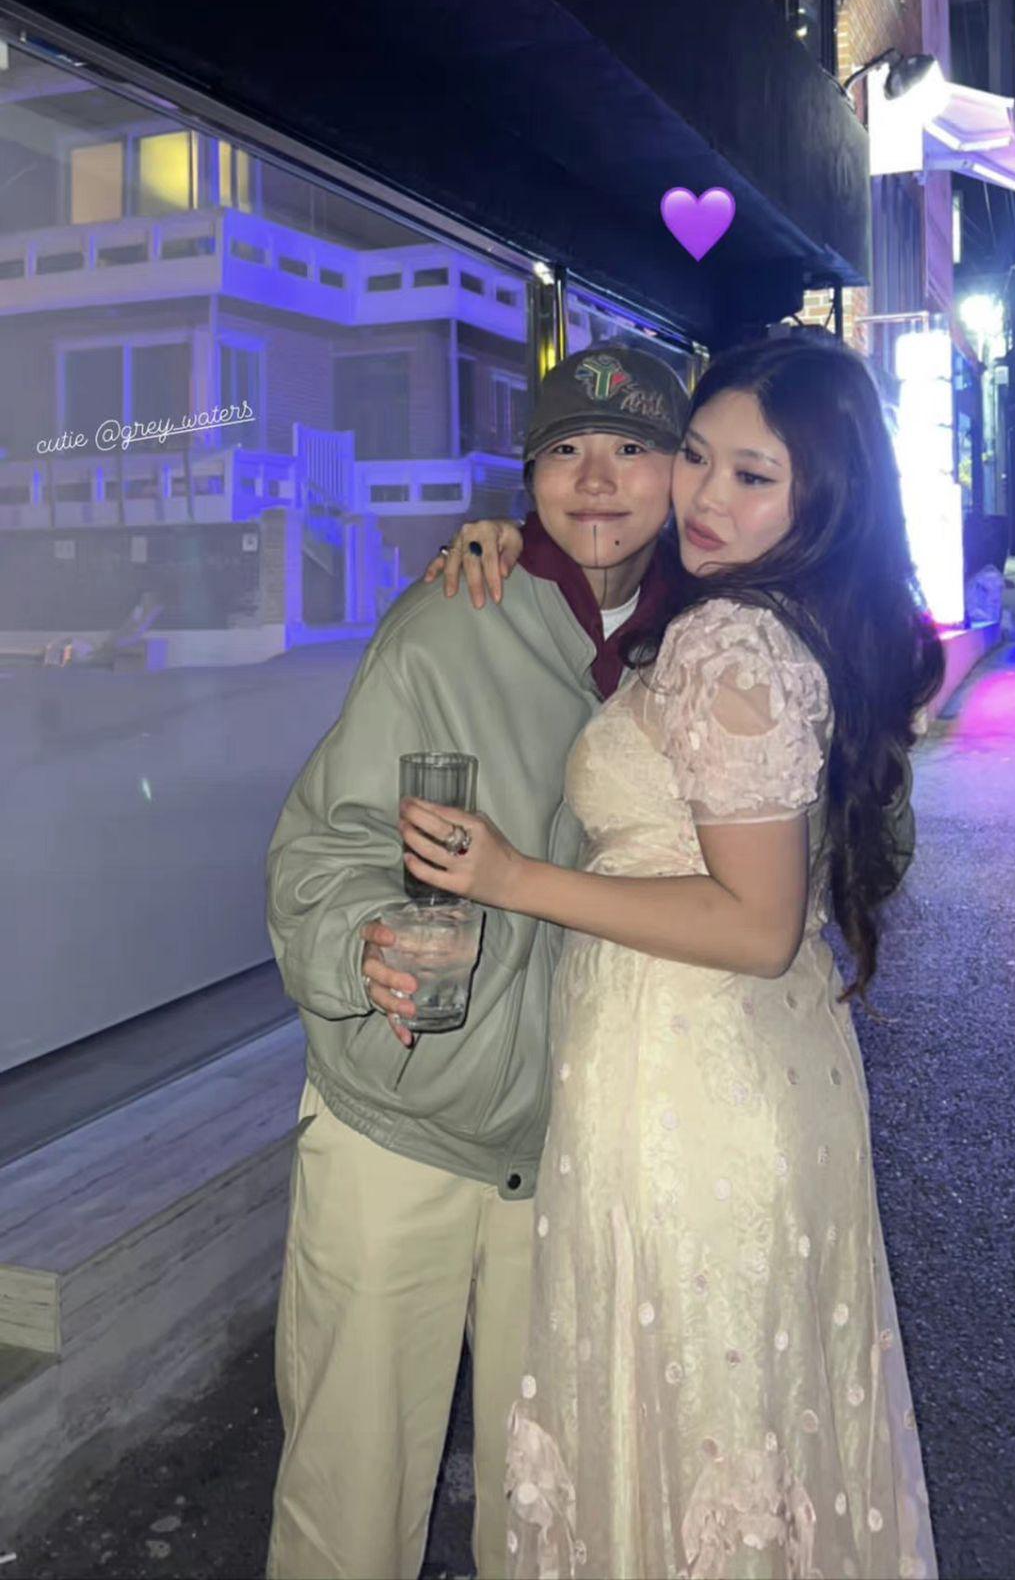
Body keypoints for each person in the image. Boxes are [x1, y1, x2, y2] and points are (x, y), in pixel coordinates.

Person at [399, 333, 945, 1580]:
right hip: (752, 1068)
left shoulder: (731, 640)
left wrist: (512, 877)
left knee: (690, 1418)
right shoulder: (787, 615)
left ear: (822, 498)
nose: (705, 496)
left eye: (754, 475)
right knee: (744, 1427)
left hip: (688, 1084)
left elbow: (754, 923)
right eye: (696, 456)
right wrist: (506, 541)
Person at [263, 343, 689, 1580]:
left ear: (684, 471)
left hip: (582, 1144)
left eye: (633, 449)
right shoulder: (452, 618)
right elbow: (320, 845)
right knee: (347, 1507)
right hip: (398, 1121)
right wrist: (361, 945)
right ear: (529, 477)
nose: (597, 479)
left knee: (550, 1510)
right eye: (566, 450)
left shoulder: (706, 644)